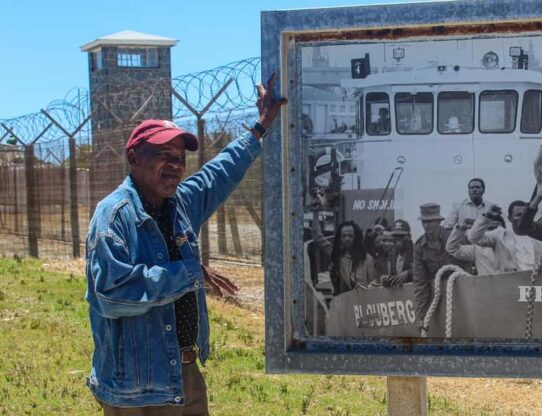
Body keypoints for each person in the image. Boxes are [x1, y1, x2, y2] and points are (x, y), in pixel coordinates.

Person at [84, 74, 286, 413]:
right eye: (164, 154)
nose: (175, 165)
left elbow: (218, 174)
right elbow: (113, 294)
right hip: (137, 385)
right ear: (134, 158)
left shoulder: (178, 204)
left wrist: (259, 128)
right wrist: (188, 273)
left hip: (184, 373)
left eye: (180, 157)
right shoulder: (113, 217)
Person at [413, 203, 464, 318]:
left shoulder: (453, 236)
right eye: (424, 222)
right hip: (439, 296)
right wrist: (421, 316)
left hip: (463, 291)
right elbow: (420, 283)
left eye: (430, 222)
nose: (426, 226)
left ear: (438, 221)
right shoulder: (419, 246)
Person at [468, 201, 542, 272]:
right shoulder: (499, 235)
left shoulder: (537, 236)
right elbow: (473, 238)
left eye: (525, 215)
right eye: (518, 215)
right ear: (509, 219)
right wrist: (488, 216)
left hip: (534, 282)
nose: (522, 218)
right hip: (509, 283)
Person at [329, 221, 377, 295]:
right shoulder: (338, 256)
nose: (347, 238)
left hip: (363, 300)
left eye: (350, 236)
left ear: (356, 237)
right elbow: (318, 239)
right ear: (340, 238)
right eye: (344, 236)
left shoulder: (367, 258)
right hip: (344, 300)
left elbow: (373, 283)